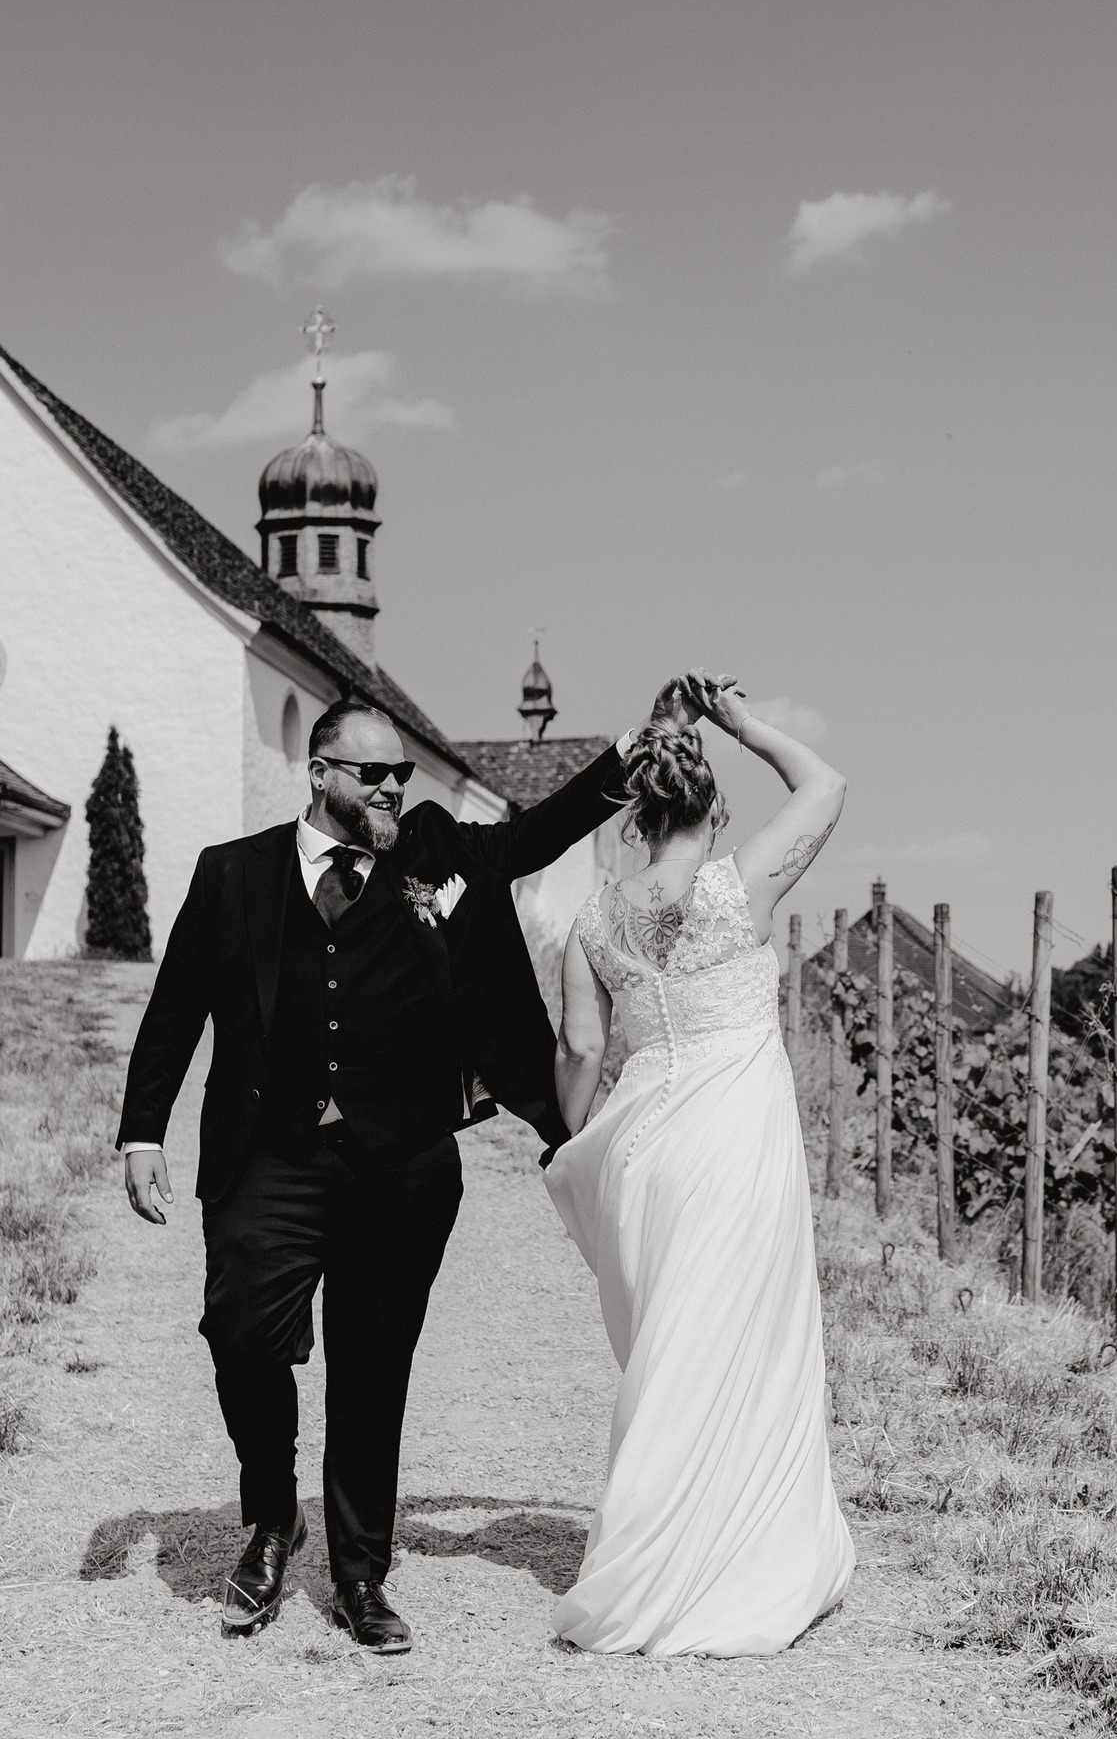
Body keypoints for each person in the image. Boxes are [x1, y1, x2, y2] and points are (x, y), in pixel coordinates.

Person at [117, 676, 721, 1651]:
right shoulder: (232, 874)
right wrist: (143, 1127)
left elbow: (548, 828)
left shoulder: (442, 850)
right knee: (240, 1332)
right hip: (268, 1153)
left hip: (400, 1165)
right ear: (318, 774)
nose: (395, 786)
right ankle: (273, 1512)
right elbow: (179, 1000)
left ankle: (359, 1574)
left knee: (371, 1367)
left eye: (402, 771)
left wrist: (647, 739)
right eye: (373, 772)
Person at [545, 682, 854, 1656]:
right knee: (746, 1347)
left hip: (649, 1150)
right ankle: (730, 1558)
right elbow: (826, 782)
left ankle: (647, 1558)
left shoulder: (594, 923)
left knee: (665, 1354)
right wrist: (744, 722)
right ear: (715, 809)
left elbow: (582, 1055)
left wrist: (567, 1137)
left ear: (636, 817)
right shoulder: (742, 884)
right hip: (737, 1146)